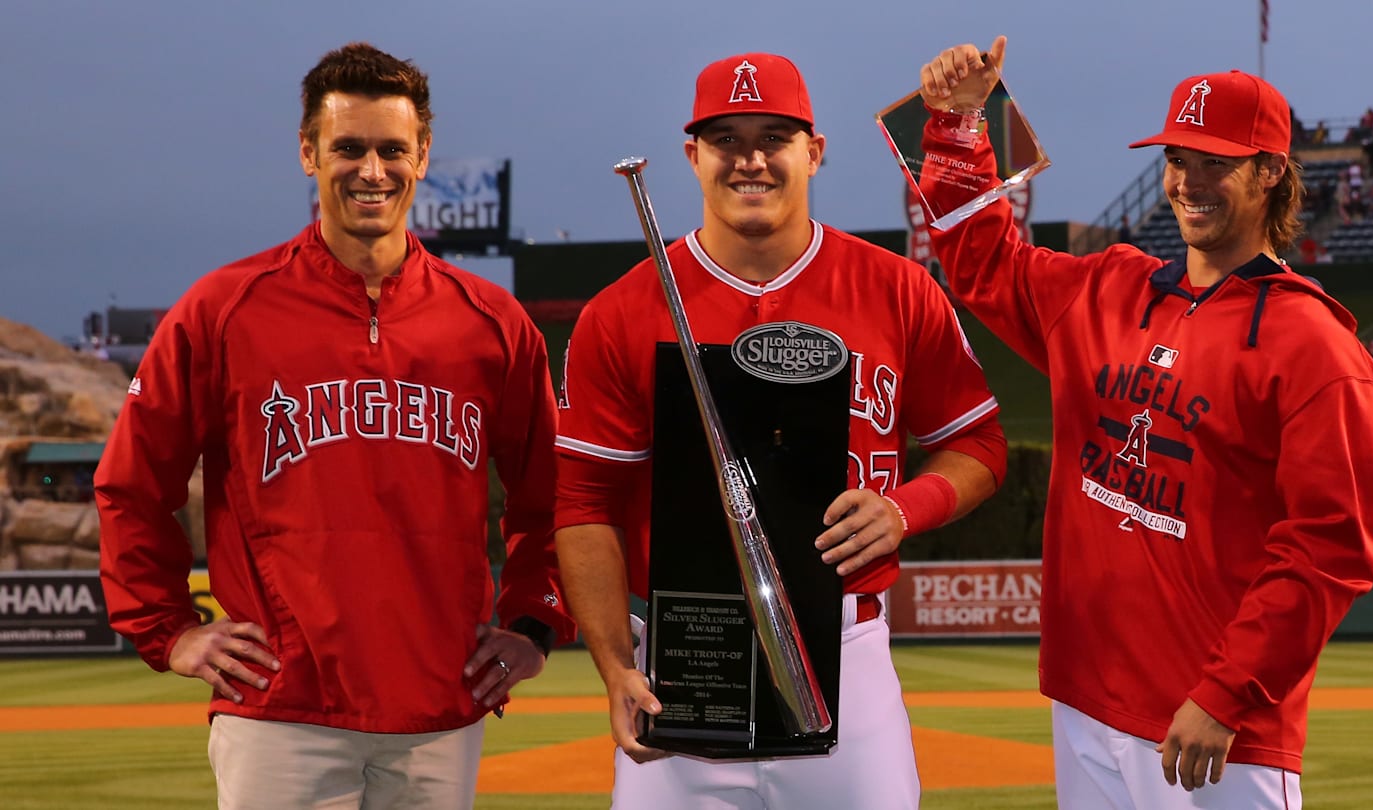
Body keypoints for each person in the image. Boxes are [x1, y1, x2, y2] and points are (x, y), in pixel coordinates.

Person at [94, 42, 574, 809]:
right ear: (308, 152)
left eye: (392, 149)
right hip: (282, 707)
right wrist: (167, 628)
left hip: (440, 707)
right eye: (348, 148)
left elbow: (551, 496)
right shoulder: (224, 309)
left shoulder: (491, 322)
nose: (372, 170)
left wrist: (531, 621)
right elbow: (130, 481)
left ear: (422, 154)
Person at [916, 38, 1373, 808]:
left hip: (1209, 729)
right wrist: (958, 127)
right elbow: (982, 263)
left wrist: (1226, 694)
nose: (1188, 182)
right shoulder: (1108, 288)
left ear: (1270, 171)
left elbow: (1327, 551)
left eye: (1215, 162)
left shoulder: (1317, 348)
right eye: (1178, 158)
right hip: (1084, 700)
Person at [553, 52, 1007, 809]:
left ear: (815, 152)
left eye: (775, 137)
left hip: (849, 645)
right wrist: (611, 664)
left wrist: (905, 508)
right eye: (726, 140)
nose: (751, 159)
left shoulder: (897, 288)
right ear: (693, 156)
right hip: (681, 660)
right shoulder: (620, 312)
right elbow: (585, 504)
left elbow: (979, 445)